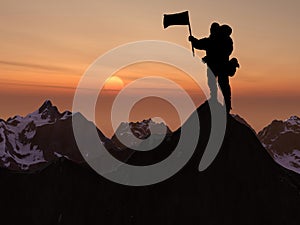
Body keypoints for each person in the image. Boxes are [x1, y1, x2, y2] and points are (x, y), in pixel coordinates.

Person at [189, 22, 239, 113]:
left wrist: (208, 57)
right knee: (213, 84)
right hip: (214, 67)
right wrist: (193, 40)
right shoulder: (211, 40)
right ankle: (215, 100)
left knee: (223, 86)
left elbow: (224, 52)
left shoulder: (224, 41)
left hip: (221, 67)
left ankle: (226, 105)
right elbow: (199, 44)